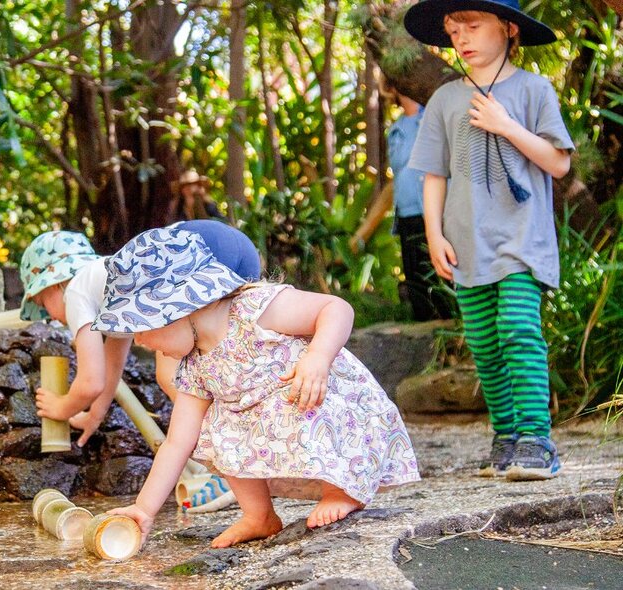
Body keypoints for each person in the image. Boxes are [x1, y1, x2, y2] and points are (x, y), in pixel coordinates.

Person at [94, 227, 419, 548]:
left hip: (329, 399)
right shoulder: (195, 366)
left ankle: (341, 490)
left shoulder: (253, 309)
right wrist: (144, 508)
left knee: (300, 388)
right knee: (214, 428)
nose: (139, 342)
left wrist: (318, 358)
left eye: (140, 328)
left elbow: (335, 308)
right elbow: (177, 443)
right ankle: (259, 515)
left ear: (176, 312)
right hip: (282, 415)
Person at [404, 0, 574, 480]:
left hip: (522, 240)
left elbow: (559, 163)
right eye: (452, 29)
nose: (461, 37)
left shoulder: (534, 89)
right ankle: (506, 435)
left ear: (508, 29)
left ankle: (536, 439)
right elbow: (434, 175)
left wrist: (506, 125)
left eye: (473, 26)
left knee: (519, 331)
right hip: (466, 243)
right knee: (483, 342)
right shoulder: (444, 100)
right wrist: (434, 235)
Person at [23, 222, 260, 510]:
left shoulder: (75, 291)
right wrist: (93, 416)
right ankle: (250, 463)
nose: (48, 316)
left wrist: (62, 407)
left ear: (56, 283)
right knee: (217, 372)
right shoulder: (108, 282)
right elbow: (113, 366)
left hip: (193, 251)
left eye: (40, 301)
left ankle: (226, 470)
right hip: (229, 246)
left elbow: (91, 381)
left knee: (177, 382)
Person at [380, 77, 454, 321]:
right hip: (407, 213)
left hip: (435, 211)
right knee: (416, 277)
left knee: (442, 274)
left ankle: (452, 328)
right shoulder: (396, 130)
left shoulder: (433, 117)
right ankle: (425, 330)